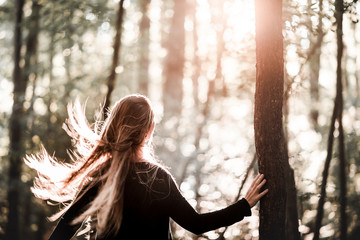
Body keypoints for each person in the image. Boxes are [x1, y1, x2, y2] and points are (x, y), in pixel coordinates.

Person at [25, 94, 268, 240]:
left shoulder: (100, 176)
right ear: (149, 132)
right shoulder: (158, 179)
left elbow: (62, 233)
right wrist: (244, 205)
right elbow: (196, 224)